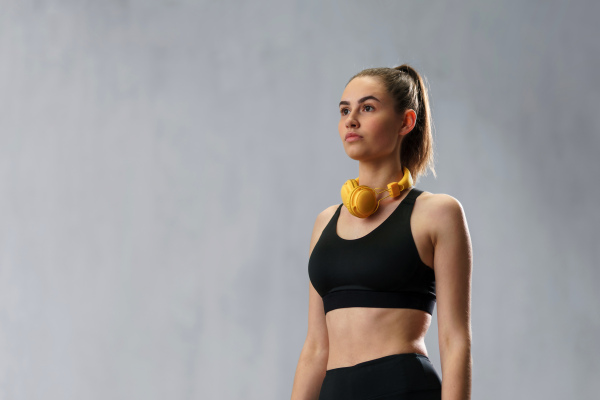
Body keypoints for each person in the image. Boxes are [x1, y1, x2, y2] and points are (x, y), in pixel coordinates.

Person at [290, 65, 472, 400]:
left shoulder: (436, 213)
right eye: (345, 110)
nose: (351, 120)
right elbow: (316, 348)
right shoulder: (325, 221)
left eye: (367, 108)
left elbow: (455, 339)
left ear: (406, 122)